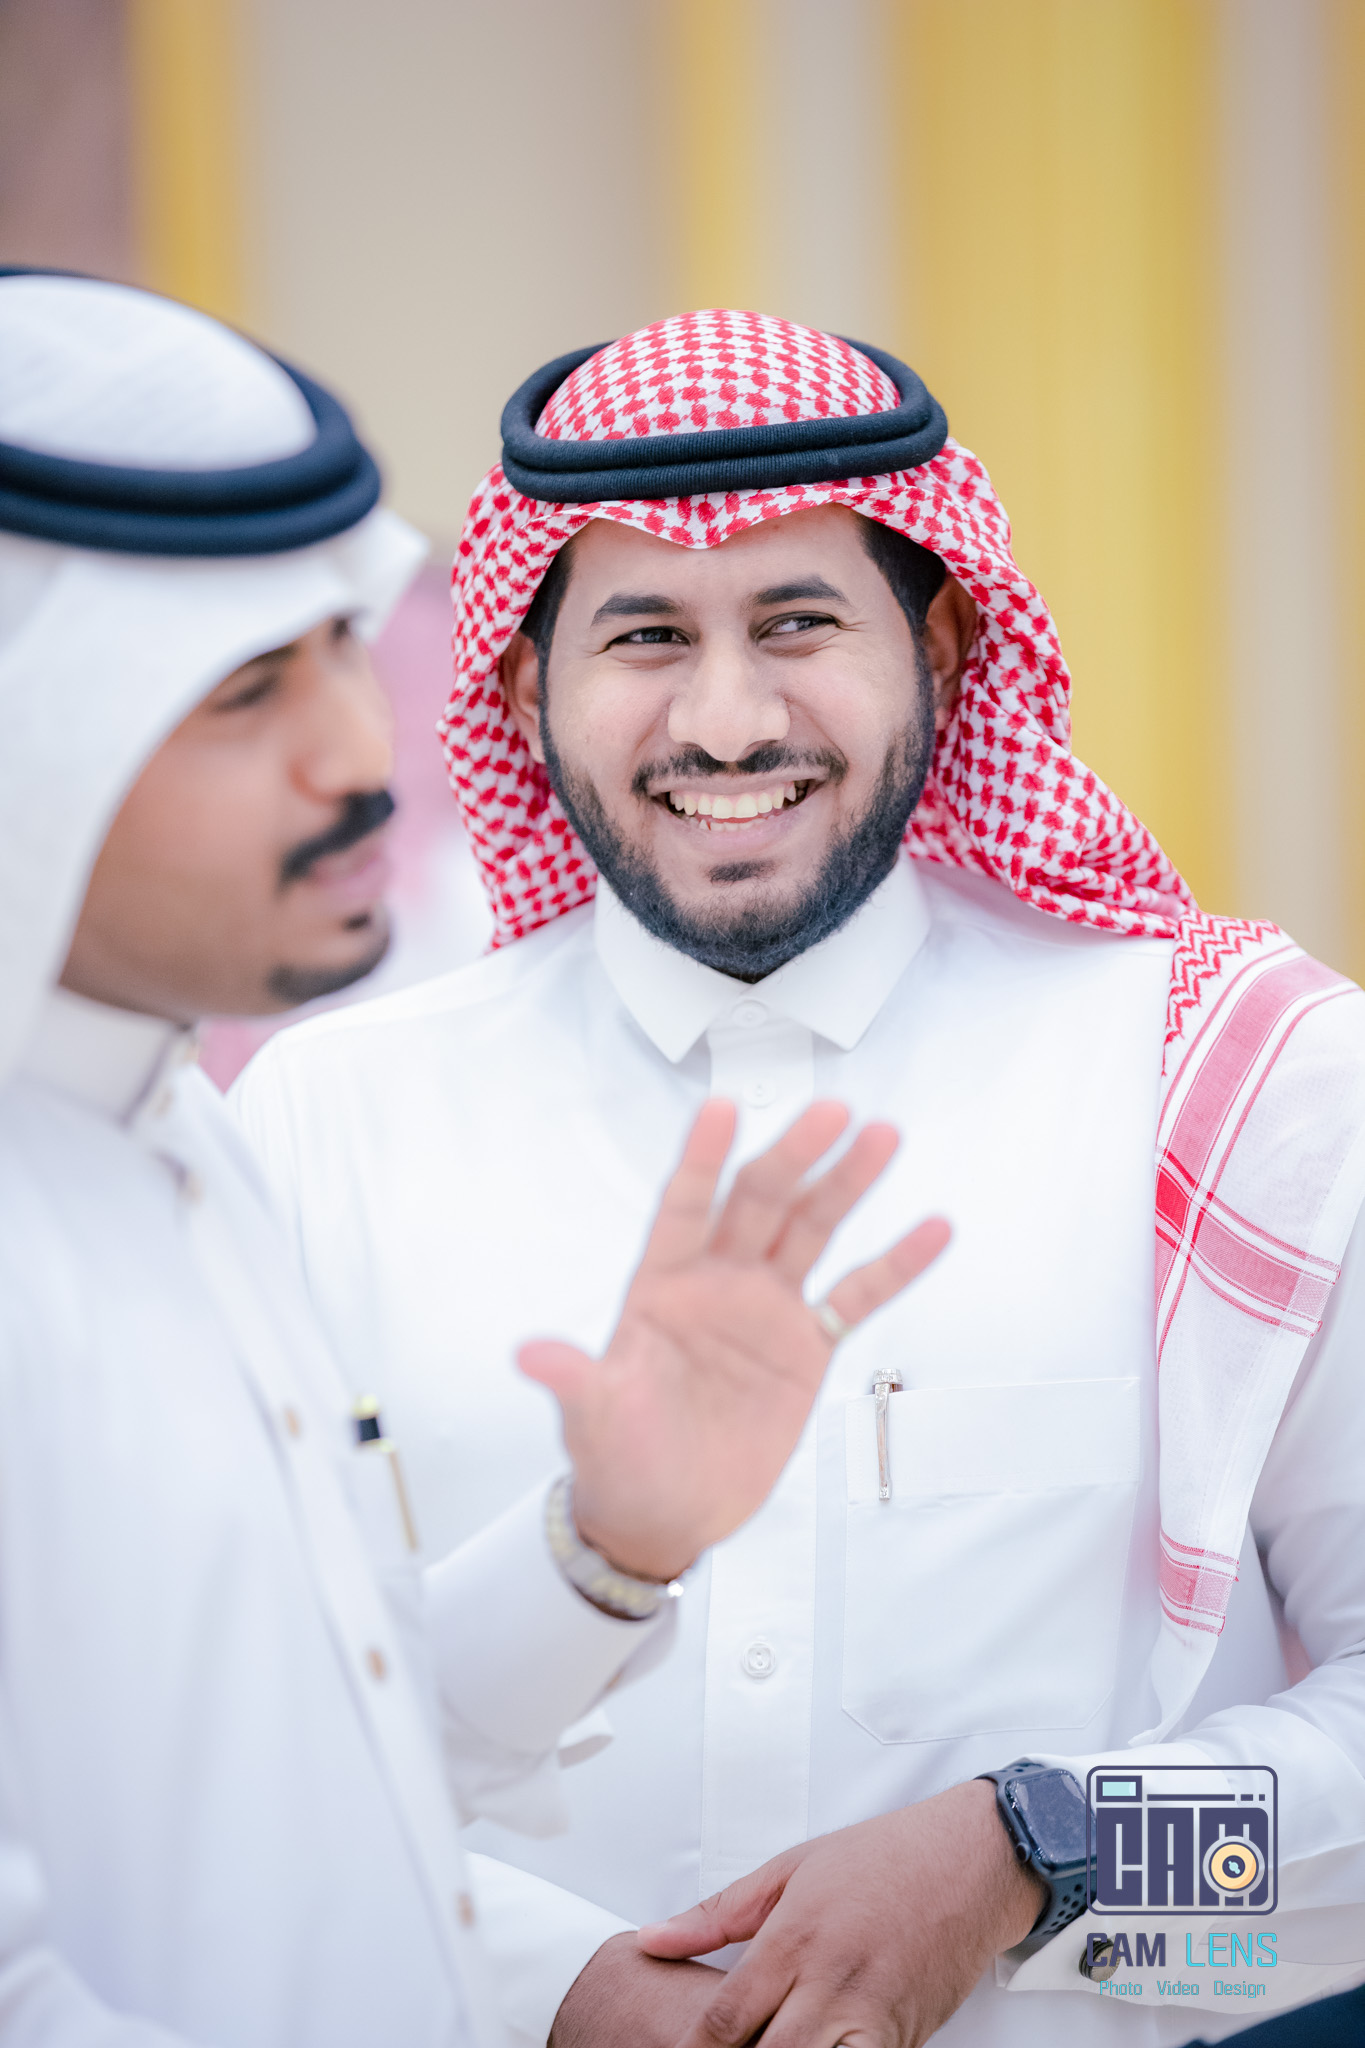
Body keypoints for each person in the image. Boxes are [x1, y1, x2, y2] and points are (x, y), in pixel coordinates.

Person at [233, 310, 1365, 2047]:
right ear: (523, 685)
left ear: (942, 641)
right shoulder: (330, 1120)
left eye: (796, 623)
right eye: (642, 636)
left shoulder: (1234, 1079)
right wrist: (547, 1989)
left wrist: (1036, 1863)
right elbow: (235, 1744)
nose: (724, 720)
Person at [0, 274, 949, 2048]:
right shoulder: (307, 1116)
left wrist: (606, 1549)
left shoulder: (174, 1140)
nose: (365, 759)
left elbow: (309, 1757)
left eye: (342, 656)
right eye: (243, 692)